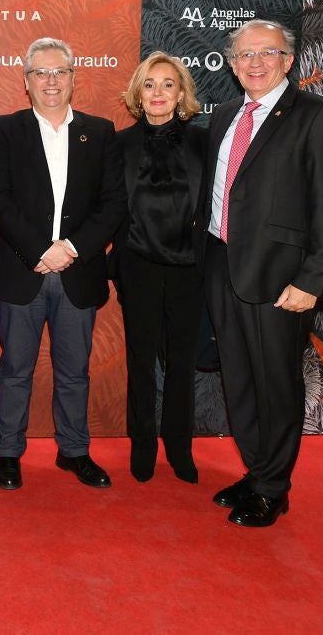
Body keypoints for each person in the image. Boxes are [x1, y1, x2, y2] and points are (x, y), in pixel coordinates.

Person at [202, 19, 323, 527]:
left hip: (280, 279)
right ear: (231, 63)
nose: (255, 62)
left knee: (276, 384)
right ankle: (256, 470)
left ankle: (273, 487)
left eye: (268, 53)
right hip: (223, 267)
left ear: (288, 61)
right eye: (244, 55)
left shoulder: (317, 117)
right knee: (240, 380)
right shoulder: (225, 115)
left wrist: (312, 281)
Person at [0, 37, 126, 492]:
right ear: (26, 82)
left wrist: (71, 249)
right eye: (40, 73)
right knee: (15, 369)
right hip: (23, 270)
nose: (50, 81)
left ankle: (74, 451)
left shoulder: (100, 132)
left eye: (59, 72)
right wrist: (41, 249)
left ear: (72, 78)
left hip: (77, 273)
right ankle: (8, 452)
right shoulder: (4, 130)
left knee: (74, 371)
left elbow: (113, 203)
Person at [112, 52, 206, 484]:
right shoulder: (120, 145)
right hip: (137, 265)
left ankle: (180, 449)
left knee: (182, 362)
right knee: (140, 360)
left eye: (168, 84)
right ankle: (143, 445)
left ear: (181, 93)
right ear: (137, 92)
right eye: (149, 84)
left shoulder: (204, 143)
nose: (158, 93)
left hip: (190, 267)